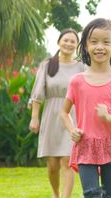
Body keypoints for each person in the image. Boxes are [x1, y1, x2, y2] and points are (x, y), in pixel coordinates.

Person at [60, 18, 111, 198]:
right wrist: (72, 130)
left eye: (105, 42)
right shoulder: (77, 81)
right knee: (92, 194)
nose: (99, 47)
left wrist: (110, 117)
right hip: (85, 145)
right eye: (93, 41)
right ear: (86, 46)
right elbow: (64, 112)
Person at [29, 28, 84, 198]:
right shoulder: (47, 65)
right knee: (52, 165)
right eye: (65, 40)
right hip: (51, 117)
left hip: (73, 116)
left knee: (68, 161)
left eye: (72, 41)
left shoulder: (81, 66)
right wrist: (34, 118)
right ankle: (55, 193)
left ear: (77, 45)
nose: (68, 44)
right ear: (59, 42)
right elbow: (38, 94)